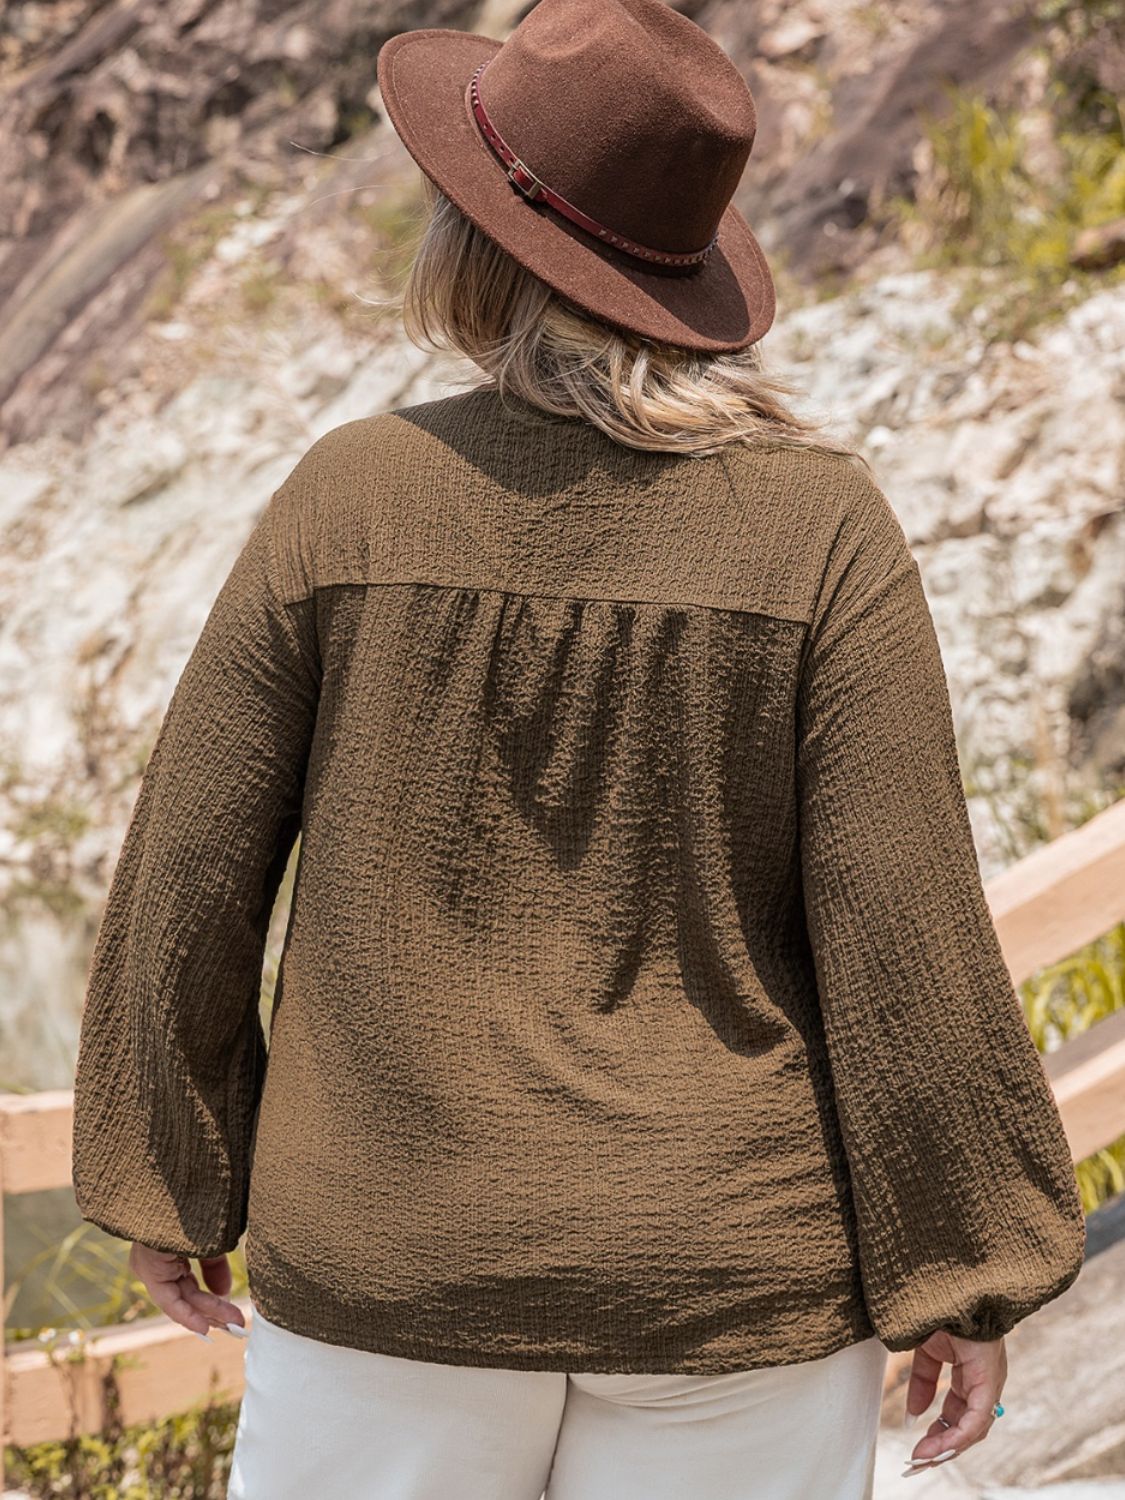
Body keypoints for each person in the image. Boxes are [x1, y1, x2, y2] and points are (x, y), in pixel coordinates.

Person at [69, 1, 1087, 1496]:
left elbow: (192, 875)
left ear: (473, 241)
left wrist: (168, 1177)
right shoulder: (820, 527)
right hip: (731, 1285)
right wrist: (966, 1266)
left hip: (388, 1273)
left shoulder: (349, 496)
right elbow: (902, 931)